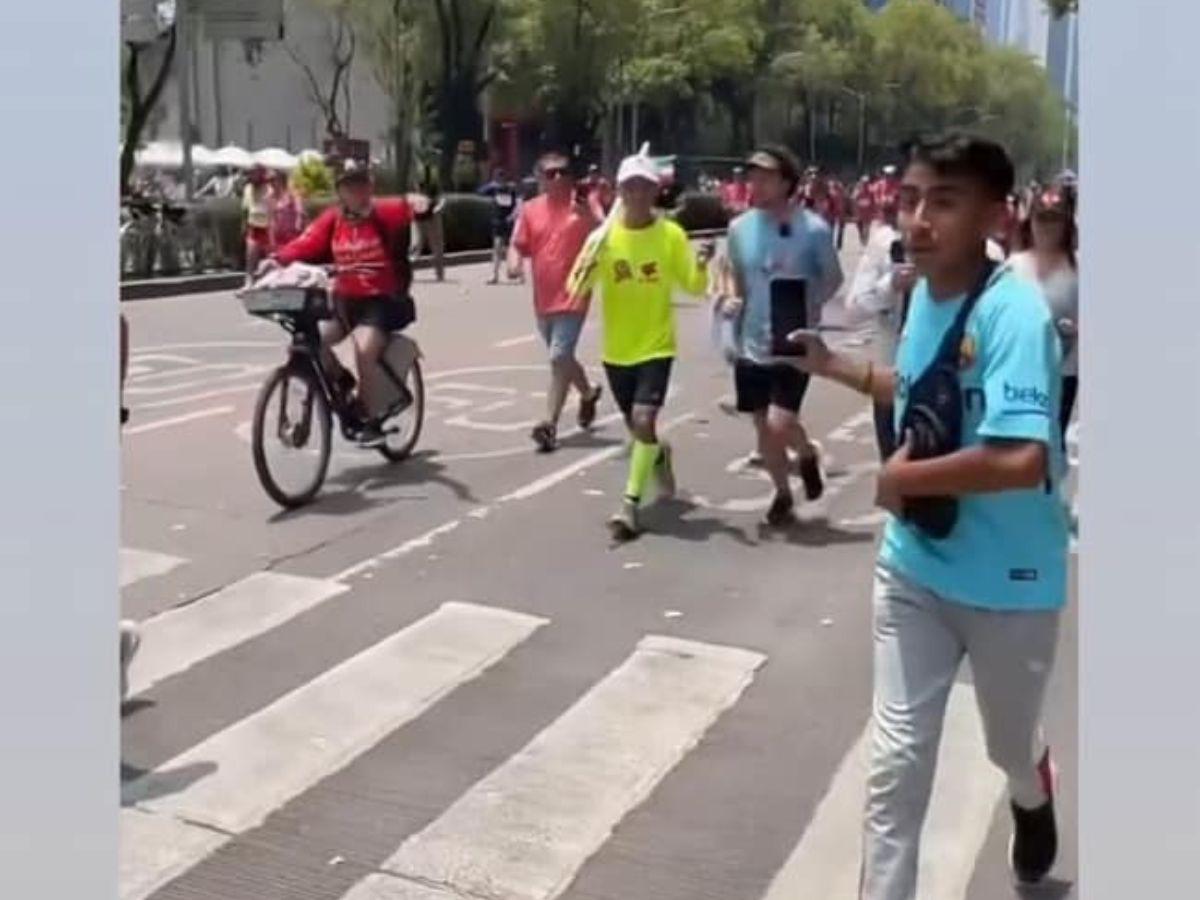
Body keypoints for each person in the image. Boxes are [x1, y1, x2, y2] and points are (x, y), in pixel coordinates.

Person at [785, 134, 1067, 898]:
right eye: (910, 200)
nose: (917, 220)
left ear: (994, 216)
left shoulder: (1016, 317)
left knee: (1006, 744)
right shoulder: (921, 297)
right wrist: (833, 365)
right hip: (915, 564)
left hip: (1010, 581)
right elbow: (913, 388)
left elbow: (1021, 460)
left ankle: (1031, 784)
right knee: (896, 761)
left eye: (943, 202)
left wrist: (903, 475)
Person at [567, 153, 714, 541]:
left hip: (656, 346)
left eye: (644, 186)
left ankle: (629, 505)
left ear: (655, 191)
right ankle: (659, 455)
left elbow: (695, 287)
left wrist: (700, 264)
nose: (636, 193)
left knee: (644, 421)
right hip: (617, 351)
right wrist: (589, 258)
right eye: (629, 186)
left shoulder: (670, 236)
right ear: (620, 191)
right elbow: (575, 288)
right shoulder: (605, 239)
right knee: (640, 429)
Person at [716, 145, 843, 526]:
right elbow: (733, 274)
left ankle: (803, 450)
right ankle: (784, 491)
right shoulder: (740, 228)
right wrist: (732, 302)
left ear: (787, 182)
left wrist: (810, 307)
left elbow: (833, 277)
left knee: (778, 424)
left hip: (793, 342)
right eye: (753, 175)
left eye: (766, 176)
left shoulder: (814, 229)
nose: (756, 183)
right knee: (763, 427)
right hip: (751, 343)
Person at [271, 159, 416, 448]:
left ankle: (369, 419)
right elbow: (306, 243)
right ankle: (342, 381)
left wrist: (420, 202)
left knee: (364, 350)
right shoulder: (333, 219)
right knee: (311, 343)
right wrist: (276, 260)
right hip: (344, 301)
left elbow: (407, 206)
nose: (357, 191)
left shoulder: (383, 213)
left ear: (370, 186)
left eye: (362, 184)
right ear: (340, 191)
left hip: (381, 301)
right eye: (349, 186)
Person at [507, 151, 605, 453]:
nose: (558, 178)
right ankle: (587, 393)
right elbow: (517, 244)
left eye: (563, 172)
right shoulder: (531, 210)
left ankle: (548, 424)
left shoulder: (584, 207)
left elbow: (606, 234)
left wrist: (588, 215)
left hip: (575, 294)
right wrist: (514, 264)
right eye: (550, 174)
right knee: (561, 358)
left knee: (559, 356)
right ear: (540, 180)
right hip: (544, 299)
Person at [1009, 187, 1079, 449]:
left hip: (1063, 371)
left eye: (1055, 220)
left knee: (1051, 444)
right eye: (1042, 219)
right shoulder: (1013, 266)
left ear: (1066, 225)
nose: (1047, 228)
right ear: (1031, 222)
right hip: (1020, 368)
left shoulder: (1078, 266)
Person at [846, 195, 909, 459]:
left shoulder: (980, 249)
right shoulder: (884, 243)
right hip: (891, 376)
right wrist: (890, 286)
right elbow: (855, 309)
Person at [479, 168, 522, 285]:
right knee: (497, 248)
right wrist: (491, 185)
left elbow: (518, 205)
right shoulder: (494, 189)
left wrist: (512, 217)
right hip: (497, 222)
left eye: (501, 178)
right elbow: (480, 191)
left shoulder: (511, 189)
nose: (499, 180)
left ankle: (518, 273)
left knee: (512, 248)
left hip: (509, 223)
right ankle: (494, 275)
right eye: (497, 178)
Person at [412, 160, 446, 281]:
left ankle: (439, 274)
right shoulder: (414, 184)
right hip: (419, 218)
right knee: (416, 246)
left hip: (432, 216)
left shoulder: (433, 183)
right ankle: (406, 272)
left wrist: (438, 208)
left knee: (437, 247)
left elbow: (441, 197)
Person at [242, 165, 272, 283]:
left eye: (253, 173)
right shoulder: (248, 188)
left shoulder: (269, 189)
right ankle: (248, 283)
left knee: (270, 260)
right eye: (249, 173)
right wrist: (244, 225)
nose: (251, 176)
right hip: (253, 228)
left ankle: (269, 283)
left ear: (261, 173)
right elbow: (245, 209)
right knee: (250, 258)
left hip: (267, 228)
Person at [268, 170, 305, 251]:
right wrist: (271, 241)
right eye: (269, 180)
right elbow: (271, 220)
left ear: (281, 180)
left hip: (291, 236)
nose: (271, 183)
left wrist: (297, 227)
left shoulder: (292, 195)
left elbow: (300, 213)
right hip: (277, 239)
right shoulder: (271, 198)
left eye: (273, 180)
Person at [853, 175, 876, 246]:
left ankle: (865, 241)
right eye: (864, 182)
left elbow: (873, 201)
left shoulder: (871, 191)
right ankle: (862, 238)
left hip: (867, 214)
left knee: (866, 228)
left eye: (866, 182)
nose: (865, 184)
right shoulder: (858, 191)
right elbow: (854, 200)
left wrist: (873, 211)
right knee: (860, 229)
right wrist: (855, 211)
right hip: (859, 213)